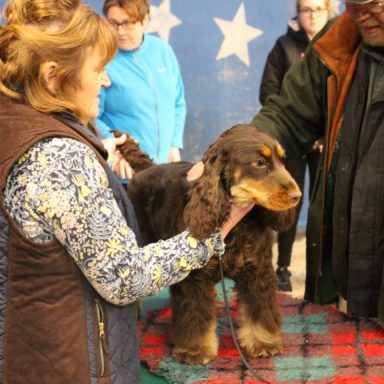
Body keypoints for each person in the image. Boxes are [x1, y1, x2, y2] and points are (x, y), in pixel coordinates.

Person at [0, 0, 253, 382]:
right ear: (53, 77)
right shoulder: (61, 160)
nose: (106, 80)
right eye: (98, 69)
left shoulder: (15, 125)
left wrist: (93, 154)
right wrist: (212, 235)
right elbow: (124, 279)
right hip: (68, 365)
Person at [251, 0, 384, 325]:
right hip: (339, 264)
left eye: (373, 3)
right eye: (351, 3)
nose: (359, 13)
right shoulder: (339, 39)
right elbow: (288, 113)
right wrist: (240, 151)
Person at [259, 0, 332, 292]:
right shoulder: (283, 46)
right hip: (290, 146)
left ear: (329, 11)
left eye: (318, 9)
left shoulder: (339, 45)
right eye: (306, 10)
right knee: (288, 203)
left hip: (325, 145)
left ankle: (321, 269)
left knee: (323, 205)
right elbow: (270, 92)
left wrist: (325, 136)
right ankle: (283, 269)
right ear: (297, 13)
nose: (312, 16)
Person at [95, 0, 186, 180]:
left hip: (164, 170)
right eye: (113, 23)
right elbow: (92, 117)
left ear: (145, 20)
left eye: (128, 23)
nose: (120, 31)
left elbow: (178, 102)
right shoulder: (102, 58)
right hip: (125, 172)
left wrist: (174, 144)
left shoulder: (163, 50)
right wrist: (116, 151)